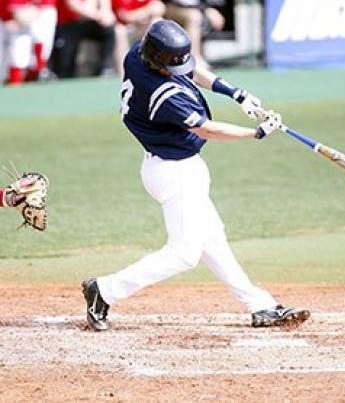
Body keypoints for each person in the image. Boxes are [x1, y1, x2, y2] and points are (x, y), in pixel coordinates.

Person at [82, 19, 310, 331]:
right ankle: (105, 290)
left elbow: (189, 70)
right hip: (174, 171)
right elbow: (206, 129)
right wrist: (256, 133)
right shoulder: (163, 95)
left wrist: (235, 93)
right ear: (158, 61)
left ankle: (260, 306)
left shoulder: (139, 55)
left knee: (213, 240)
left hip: (175, 167)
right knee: (185, 253)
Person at [52, 0, 116, 78]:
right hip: (69, 24)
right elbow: (72, 2)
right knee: (65, 65)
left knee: (109, 29)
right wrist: (97, 15)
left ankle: (105, 68)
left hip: (89, 21)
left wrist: (106, 11)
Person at [0, 0, 57, 84]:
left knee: (20, 54)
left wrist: (30, 12)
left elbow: (39, 15)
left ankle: (40, 69)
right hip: (4, 21)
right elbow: (19, 17)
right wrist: (31, 12)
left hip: (18, 26)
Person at [109, 0, 165, 76]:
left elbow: (159, 8)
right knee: (119, 30)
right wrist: (147, 10)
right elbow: (126, 17)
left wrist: (145, 13)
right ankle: (123, 71)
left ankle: (158, 66)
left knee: (157, 22)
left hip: (142, 29)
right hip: (126, 31)